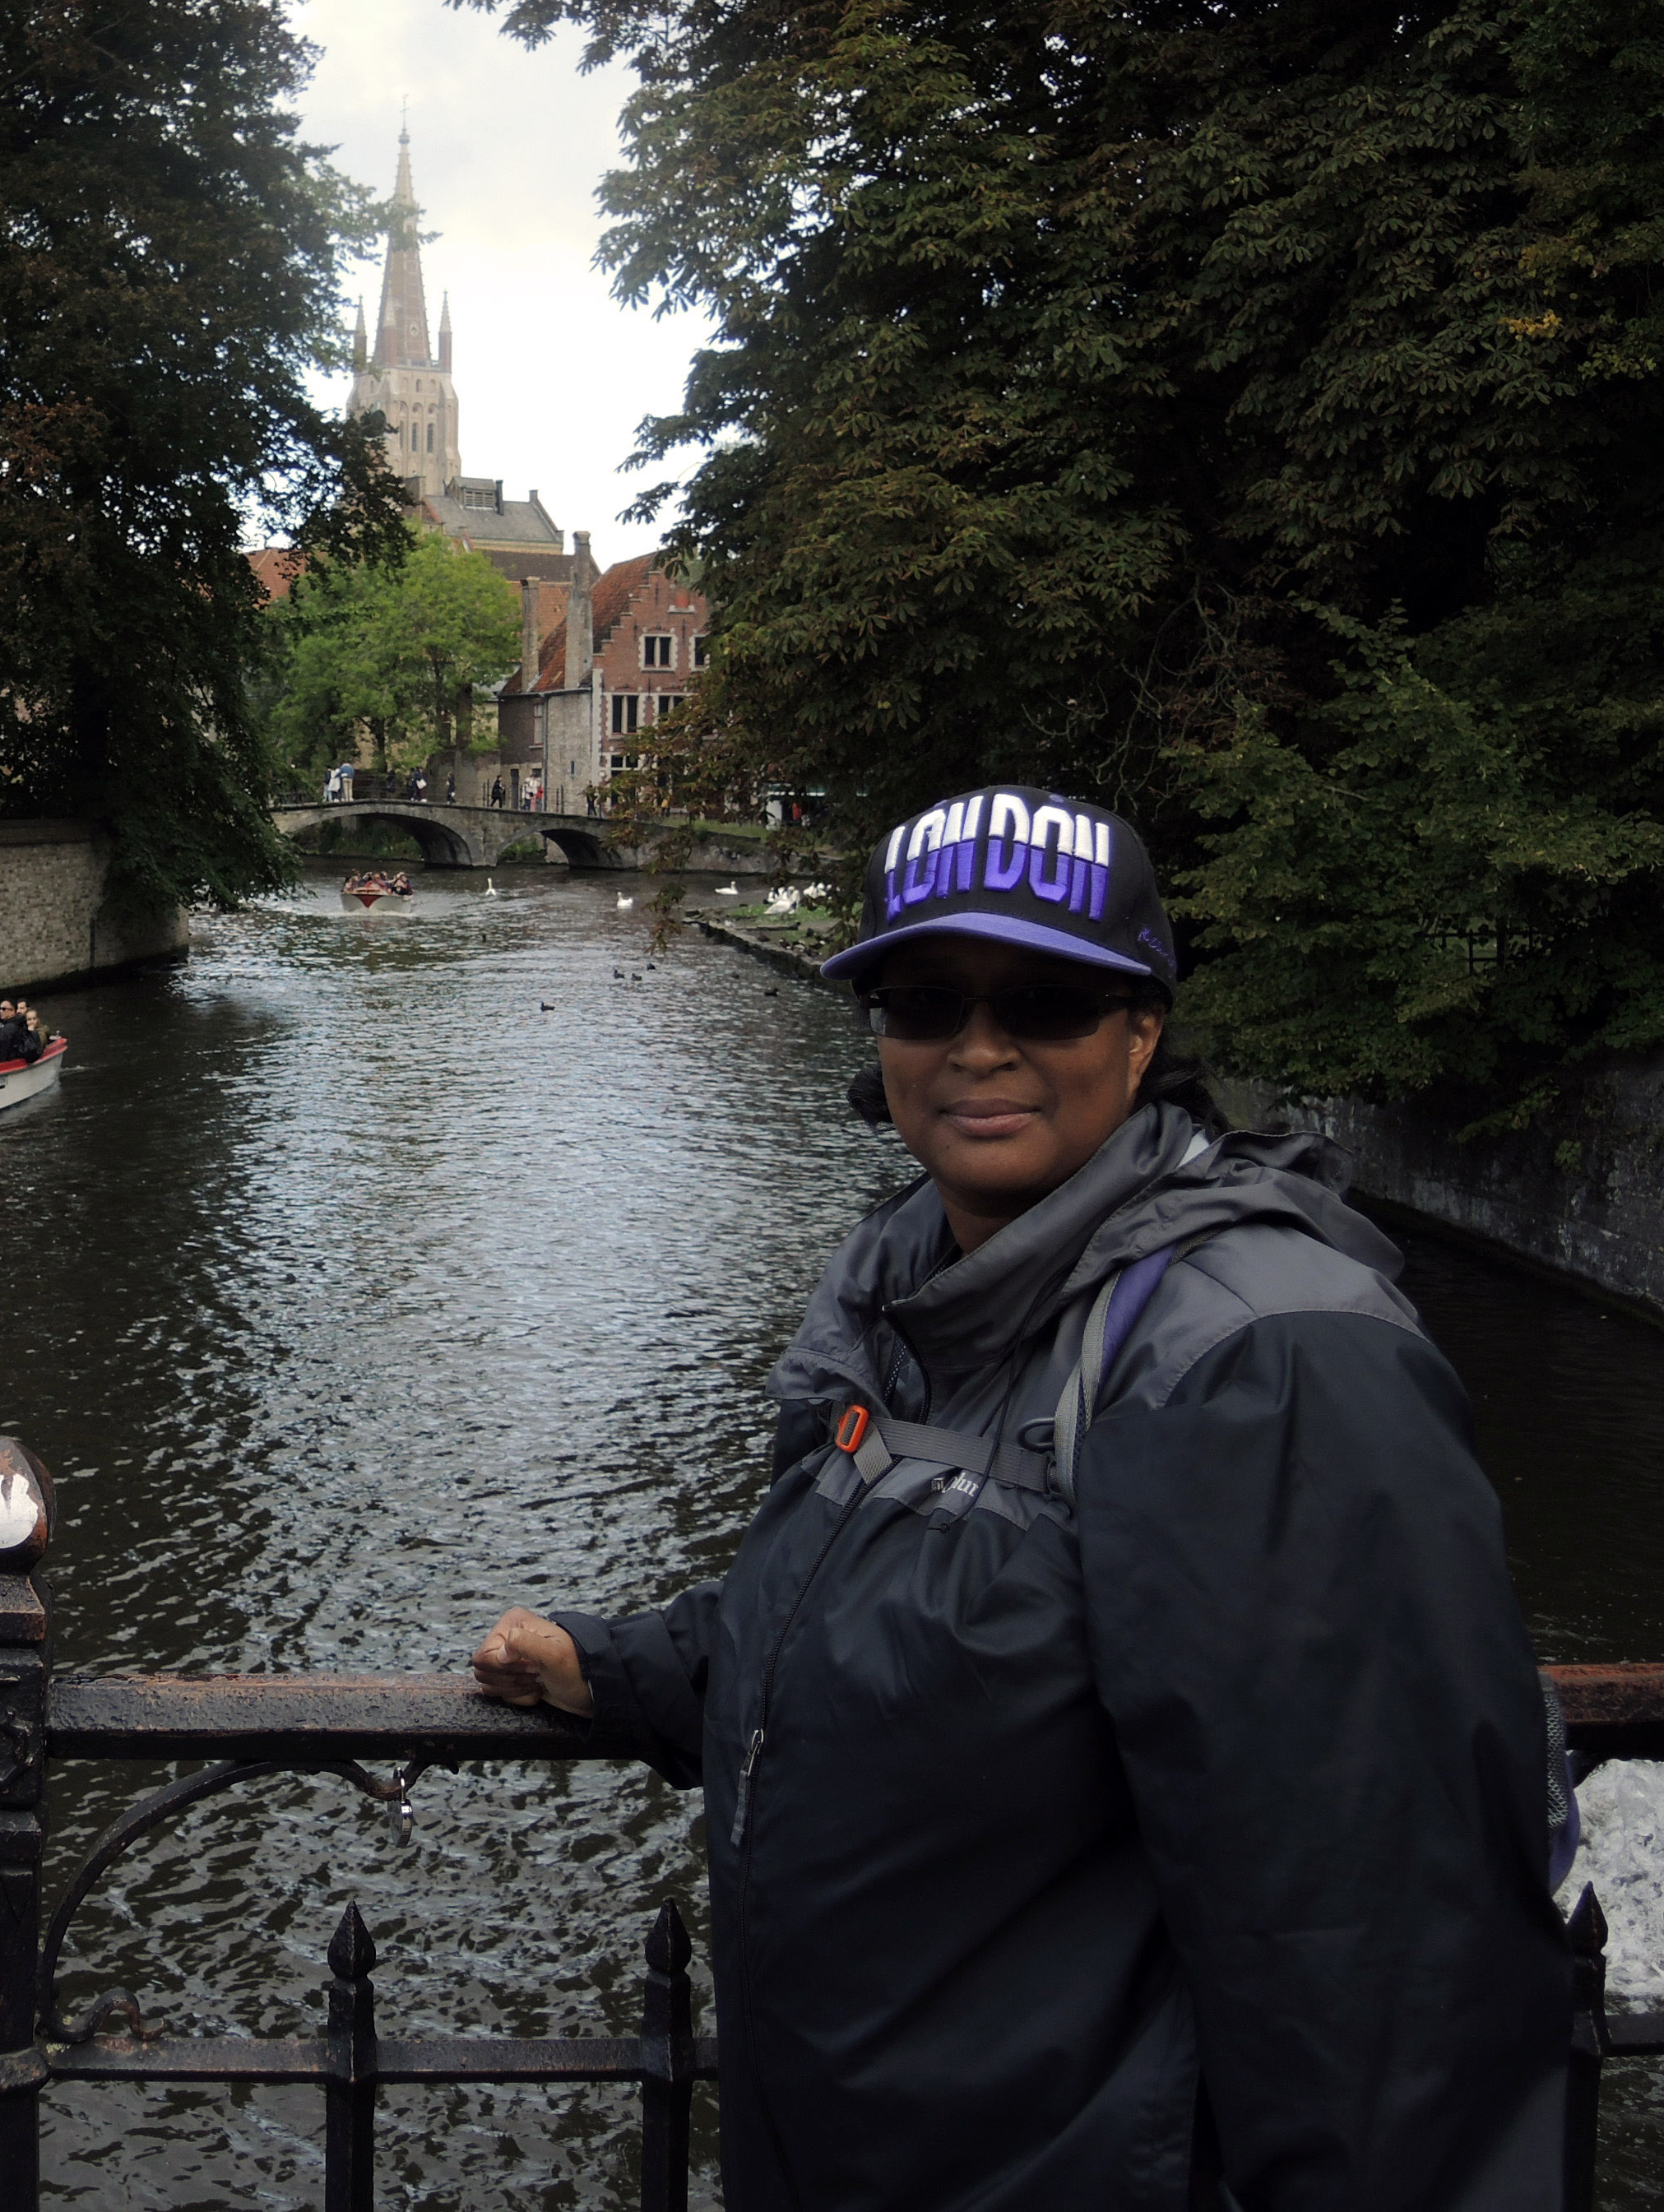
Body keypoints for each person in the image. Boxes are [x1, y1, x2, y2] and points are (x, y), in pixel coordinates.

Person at [471, 785, 1569, 2212]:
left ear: (1142, 1029)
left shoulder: (1265, 1361)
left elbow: (1381, 1964)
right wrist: (631, 1669)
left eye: (1044, 1000)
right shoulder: (907, 1278)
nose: (977, 1047)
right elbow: (928, 1628)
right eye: (925, 998)